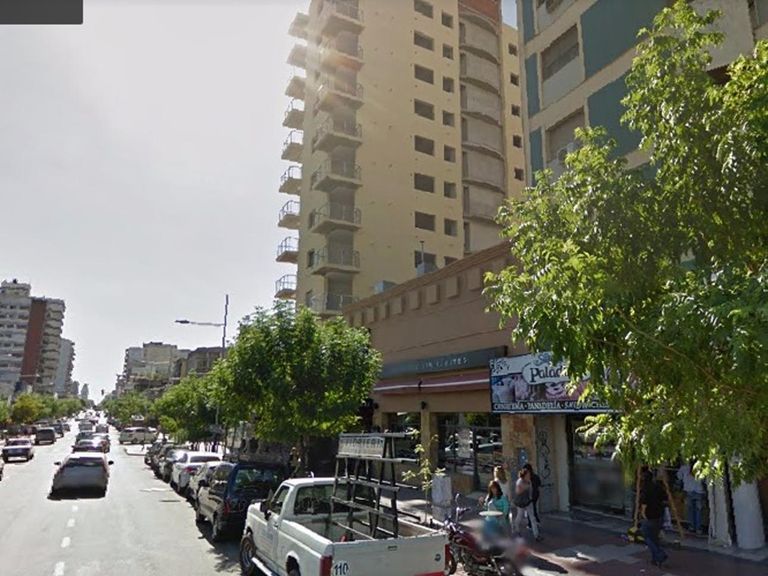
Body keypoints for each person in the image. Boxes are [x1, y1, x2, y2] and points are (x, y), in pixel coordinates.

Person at [640, 468, 669, 568]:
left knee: (647, 537)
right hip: (659, 515)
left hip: (650, 516)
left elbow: (644, 506)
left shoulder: (645, 489)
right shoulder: (658, 487)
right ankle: (655, 559)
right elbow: (665, 499)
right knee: (654, 538)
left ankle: (660, 554)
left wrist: (644, 516)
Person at [677, 461, 706, 535]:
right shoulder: (701, 467)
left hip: (688, 490)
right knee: (698, 511)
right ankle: (698, 528)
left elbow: (679, 476)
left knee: (690, 510)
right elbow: (704, 480)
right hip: (699, 491)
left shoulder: (684, 467)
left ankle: (692, 526)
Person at [514, 468, 541, 541]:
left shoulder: (529, 481)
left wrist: (531, 498)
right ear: (524, 475)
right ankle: (516, 528)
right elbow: (517, 492)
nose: (529, 476)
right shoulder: (520, 481)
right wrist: (524, 488)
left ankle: (536, 535)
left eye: (529, 474)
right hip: (521, 501)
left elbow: (531, 491)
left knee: (532, 518)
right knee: (520, 516)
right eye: (528, 474)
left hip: (528, 501)